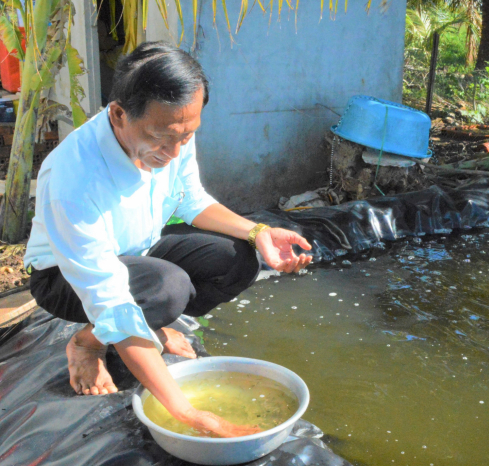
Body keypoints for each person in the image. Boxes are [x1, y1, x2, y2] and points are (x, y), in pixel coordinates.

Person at [23, 41, 313, 438]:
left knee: (238, 259)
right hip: (63, 276)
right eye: (162, 138)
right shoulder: (72, 176)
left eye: (186, 135)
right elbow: (108, 295)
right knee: (166, 289)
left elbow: (190, 200)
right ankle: (88, 344)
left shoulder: (172, 129)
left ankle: (148, 325)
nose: (175, 152)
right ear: (119, 114)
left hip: (138, 252)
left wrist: (259, 232)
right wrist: (191, 414)